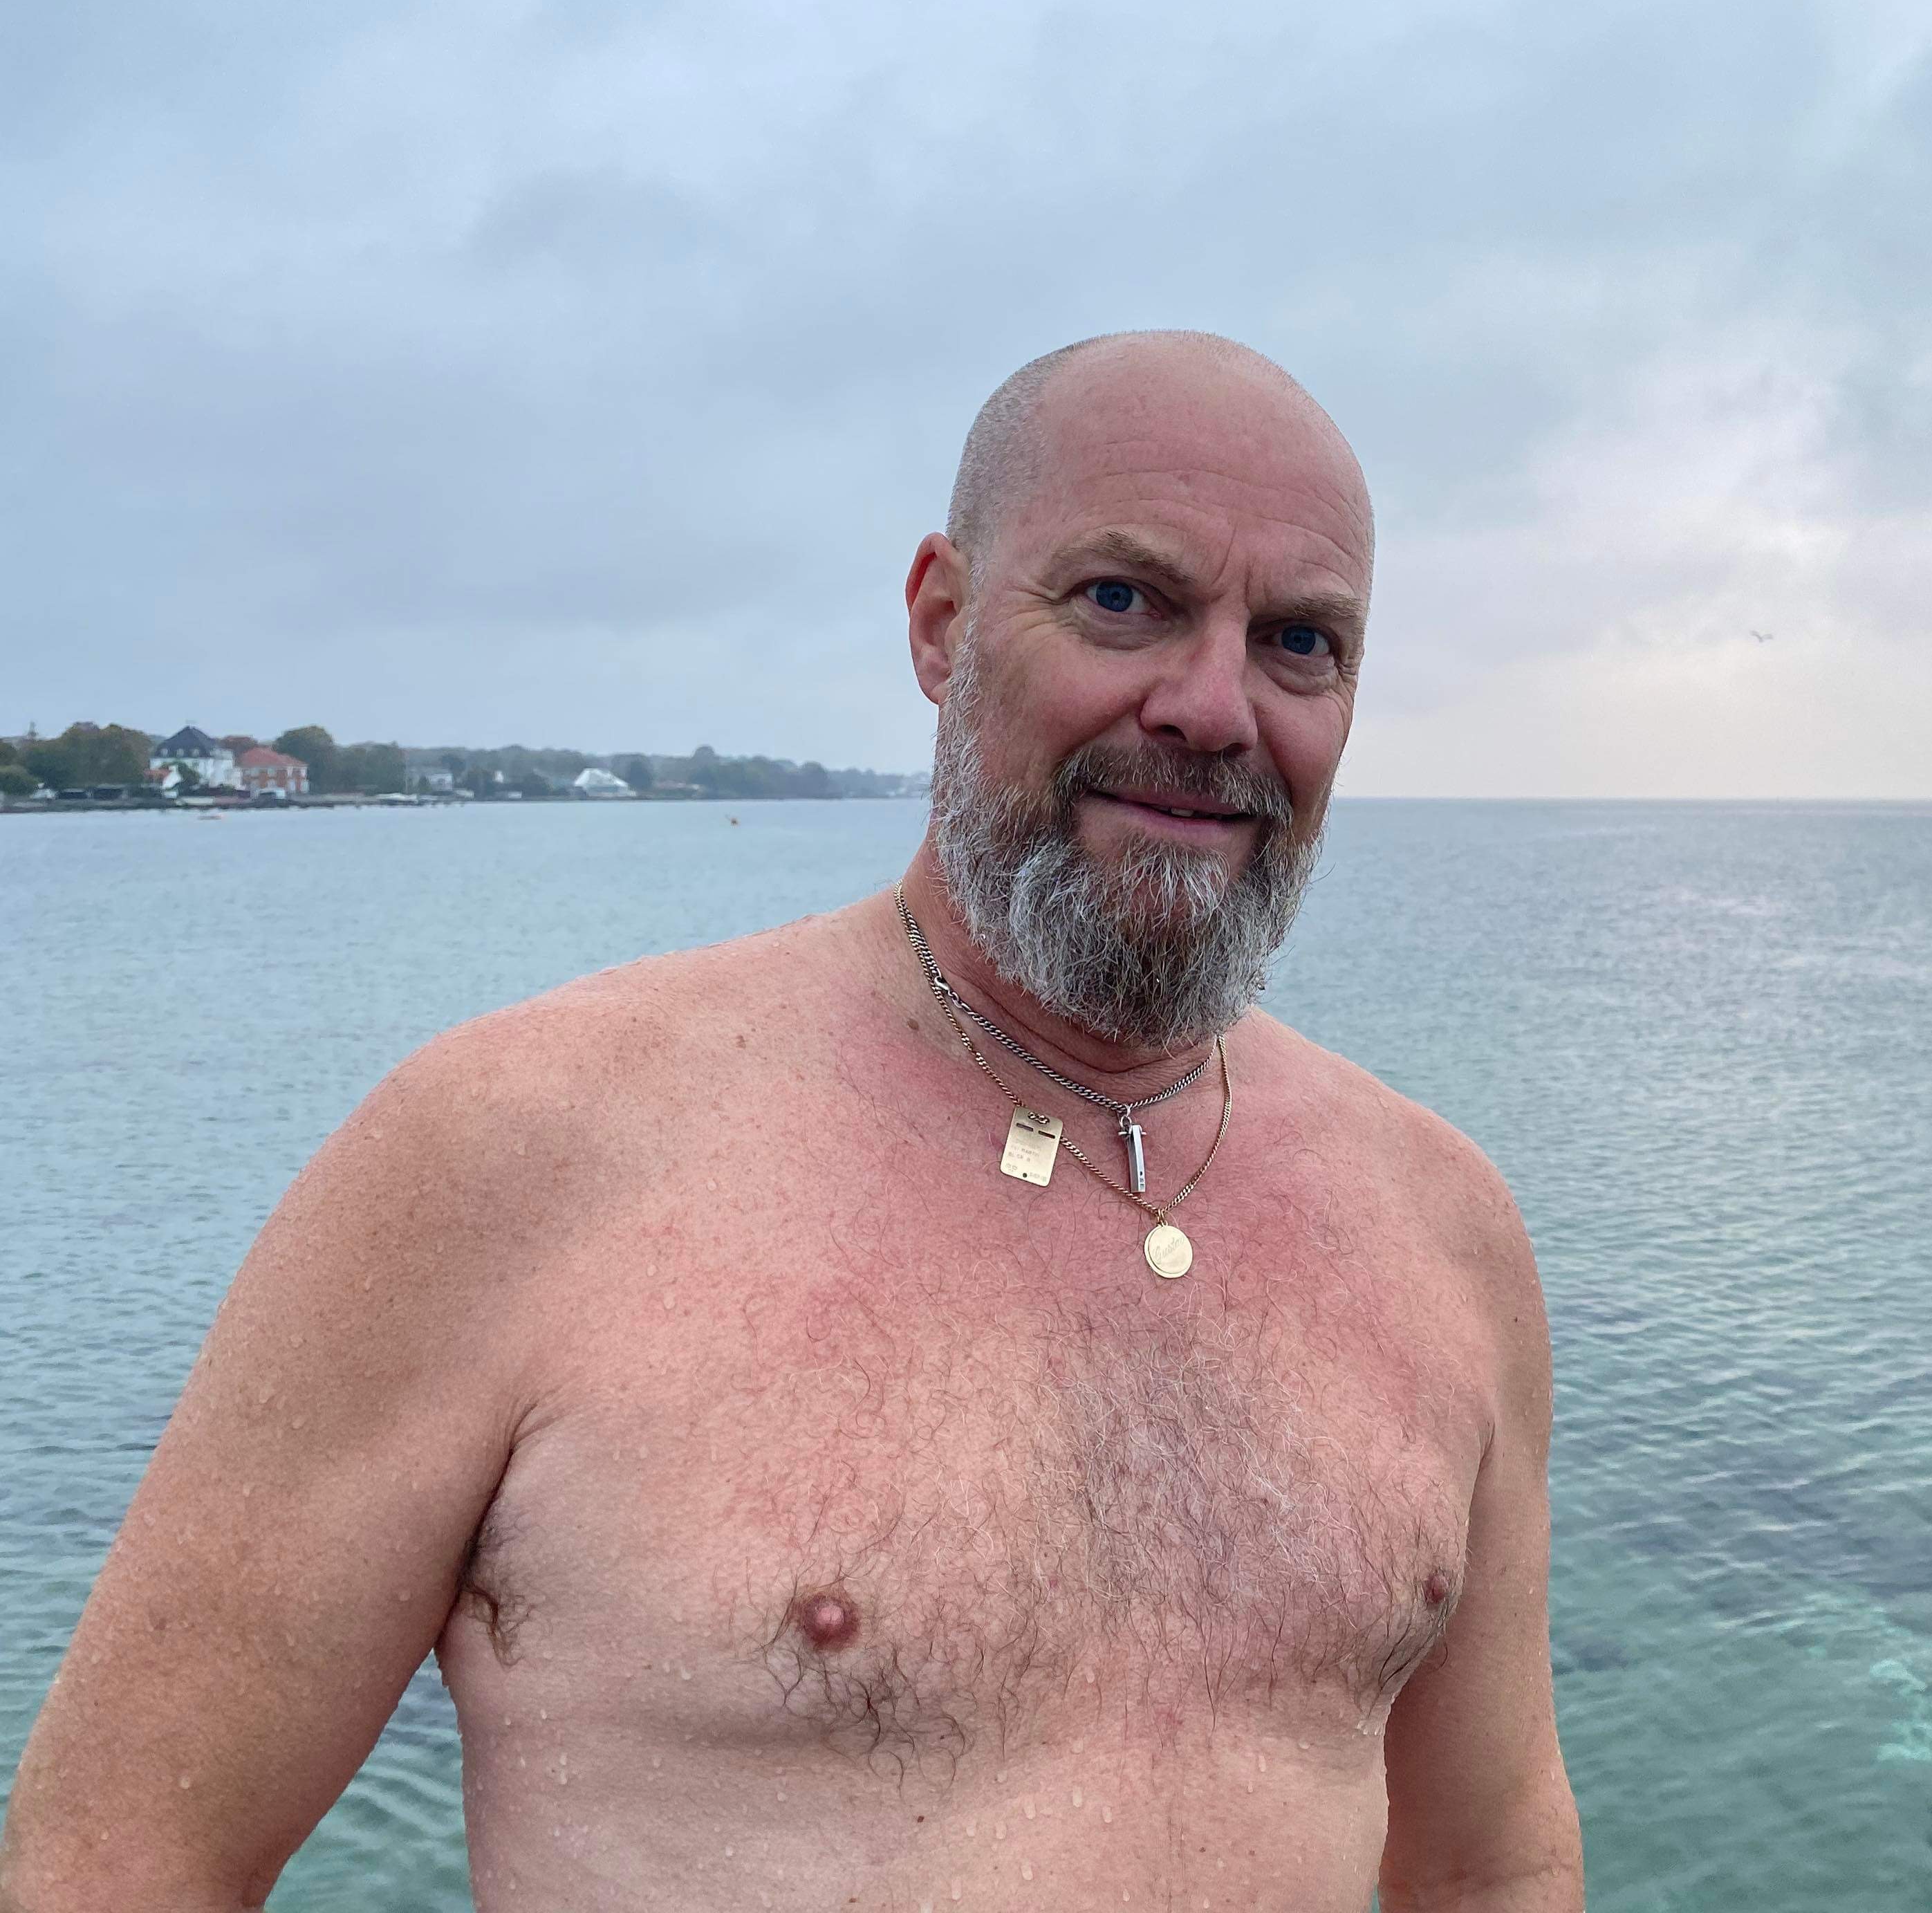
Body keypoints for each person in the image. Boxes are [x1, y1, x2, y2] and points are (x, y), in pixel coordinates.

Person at [0, 333, 1584, 1912]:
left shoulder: (1443, 1232)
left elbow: (1490, 1859)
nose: (1214, 706)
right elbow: (118, 1858)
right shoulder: (510, 1159)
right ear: (943, 625)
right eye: (1123, 600)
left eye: (1300, 642)